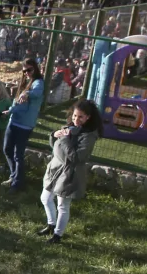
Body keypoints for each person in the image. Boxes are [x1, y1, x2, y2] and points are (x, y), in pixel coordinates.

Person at [39, 100, 101, 244]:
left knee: (62, 205)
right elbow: (55, 146)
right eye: (74, 116)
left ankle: (57, 236)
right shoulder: (70, 127)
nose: (76, 120)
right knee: (45, 198)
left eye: (80, 117)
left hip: (69, 174)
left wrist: (65, 139)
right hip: (55, 169)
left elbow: (76, 157)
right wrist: (54, 135)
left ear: (88, 117)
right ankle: (51, 225)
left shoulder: (89, 136)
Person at [3, 58, 44, 192]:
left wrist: (27, 93)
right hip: (14, 120)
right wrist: (10, 110)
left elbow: (37, 93)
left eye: (29, 70)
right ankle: (14, 174)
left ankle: (18, 183)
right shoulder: (24, 82)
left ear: (35, 68)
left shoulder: (38, 82)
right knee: (7, 149)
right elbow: (17, 102)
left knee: (17, 154)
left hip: (25, 124)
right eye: (24, 71)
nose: (27, 73)